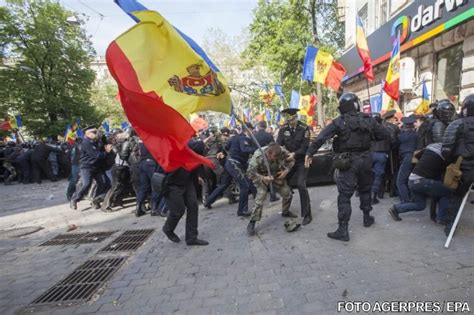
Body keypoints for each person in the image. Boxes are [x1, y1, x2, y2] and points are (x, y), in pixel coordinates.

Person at [305, 93, 388, 241]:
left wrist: (310, 153)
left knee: (344, 195)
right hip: (366, 159)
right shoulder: (368, 120)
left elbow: (321, 138)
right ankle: (367, 217)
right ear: (356, 104)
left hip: (348, 161)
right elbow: (384, 135)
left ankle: (343, 229)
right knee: (365, 189)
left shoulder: (339, 122)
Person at [388, 143, 455, 226]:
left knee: (420, 205)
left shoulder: (430, 147)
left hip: (412, 179)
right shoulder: (446, 155)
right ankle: (442, 218)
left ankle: (396, 209)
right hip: (421, 181)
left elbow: (417, 156)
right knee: (447, 192)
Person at [162, 139, 209, 246]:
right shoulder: (170, 143)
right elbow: (194, 145)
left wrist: (198, 175)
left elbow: (195, 154)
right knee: (178, 211)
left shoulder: (186, 142)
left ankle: (191, 237)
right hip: (172, 183)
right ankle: (168, 229)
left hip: (187, 181)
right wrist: (205, 139)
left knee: (193, 206)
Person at [204, 123, 257, 216]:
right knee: (244, 185)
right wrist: (256, 150)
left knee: (224, 184)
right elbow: (244, 149)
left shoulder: (234, 138)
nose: (252, 132)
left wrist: (222, 152)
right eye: (252, 130)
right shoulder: (244, 138)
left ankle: (208, 201)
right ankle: (242, 210)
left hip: (230, 163)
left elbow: (226, 147)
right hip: (235, 164)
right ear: (248, 129)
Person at [246, 143, 296, 236]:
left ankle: (285, 212)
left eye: (278, 157)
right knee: (260, 199)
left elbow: (292, 161)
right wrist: (263, 178)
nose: (276, 159)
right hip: (262, 178)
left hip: (277, 175)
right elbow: (249, 173)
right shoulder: (258, 156)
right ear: (268, 154)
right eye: (274, 157)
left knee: (287, 194)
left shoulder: (281, 151)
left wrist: (286, 171)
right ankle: (252, 222)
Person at [441, 94, 474, 234]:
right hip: (465, 167)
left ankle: (450, 227)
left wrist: (451, 163)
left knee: (456, 197)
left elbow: (446, 148)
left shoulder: (457, 124)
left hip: (464, 167)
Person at [277, 108, 312, 225]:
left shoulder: (304, 128)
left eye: (292, 119)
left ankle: (307, 215)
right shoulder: (283, 129)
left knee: (301, 185)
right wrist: (283, 154)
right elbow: (278, 145)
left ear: (296, 117)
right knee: (283, 182)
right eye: (288, 120)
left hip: (301, 160)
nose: (290, 122)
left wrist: (294, 154)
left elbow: (305, 146)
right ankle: (285, 210)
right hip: (288, 161)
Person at [70, 126, 113, 210]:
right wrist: (107, 152)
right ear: (88, 134)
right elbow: (97, 155)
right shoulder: (86, 143)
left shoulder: (95, 142)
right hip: (87, 167)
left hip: (96, 167)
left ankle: (95, 200)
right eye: (94, 132)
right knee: (86, 184)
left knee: (103, 182)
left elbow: (102, 146)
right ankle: (74, 199)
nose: (96, 134)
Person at [135, 139, 161, 217]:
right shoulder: (152, 137)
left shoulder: (141, 138)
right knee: (156, 185)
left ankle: (138, 207)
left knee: (144, 187)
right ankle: (154, 208)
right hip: (152, 162)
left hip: (143, 163)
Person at [396, 115, 418, 203]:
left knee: (400, 181)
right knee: (411, 179)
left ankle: (405, 201)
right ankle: (412, 198)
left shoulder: (402, 136)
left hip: (406, 158)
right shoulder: (416, 135)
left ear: (404, 125)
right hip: (414, 157)